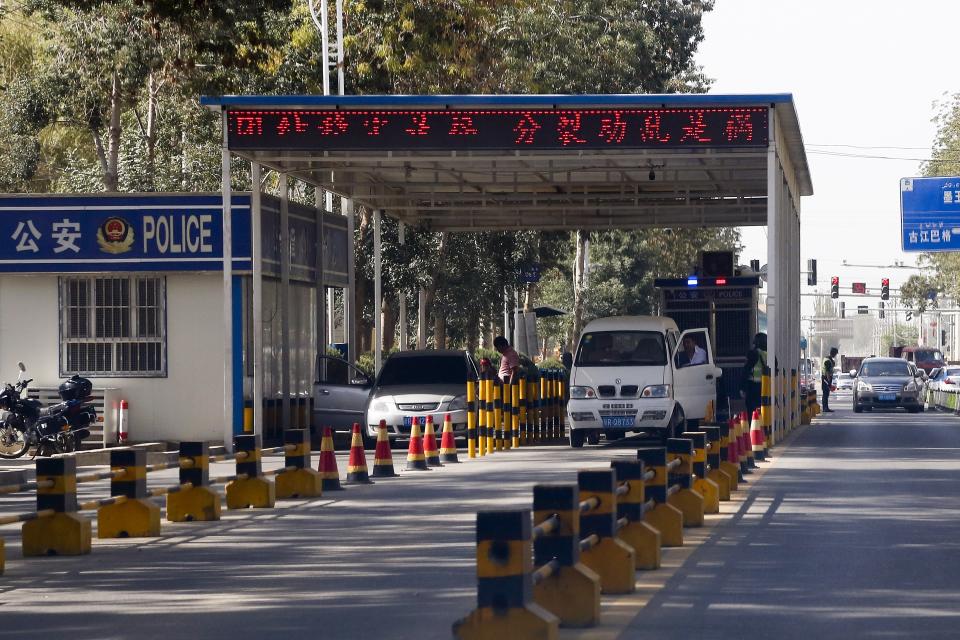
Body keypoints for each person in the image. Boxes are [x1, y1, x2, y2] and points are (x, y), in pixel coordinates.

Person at [740, 332, 767, 417]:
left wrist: (742, 388)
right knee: (764, 410)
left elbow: (746, 371)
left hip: (753, 387)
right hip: (767, 387)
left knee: (752, 411)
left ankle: (754, 428)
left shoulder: (753, 354)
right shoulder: (769, 355)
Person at [821, 347, 838, 412]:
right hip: (826, 378)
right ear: (834, 353)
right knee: (825, 393)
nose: (836, 355)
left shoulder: (827, 359)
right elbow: (827, 372)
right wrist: (828, 382)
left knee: (826, 393)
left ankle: (826, 407)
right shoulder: (827, 361)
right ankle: (825, 408)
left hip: (826, 378)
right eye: (836, 354)